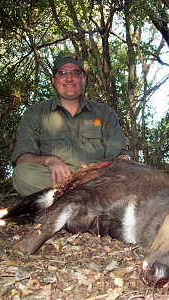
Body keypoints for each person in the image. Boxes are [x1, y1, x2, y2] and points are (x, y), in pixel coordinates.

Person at [11, 52, 133, 196]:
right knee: (21, 174)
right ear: (53, 79)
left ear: (84, 79)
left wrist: (122, 160)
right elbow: (21, 158)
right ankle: (82, 203)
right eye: (62, 73)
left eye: (75, 73)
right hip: (56, 185)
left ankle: (71, 205)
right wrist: (49, 161)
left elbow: (119, 153)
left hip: (97, 183)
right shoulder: (35, 113)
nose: (69, 78)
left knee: (135, 174)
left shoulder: (104, 113)